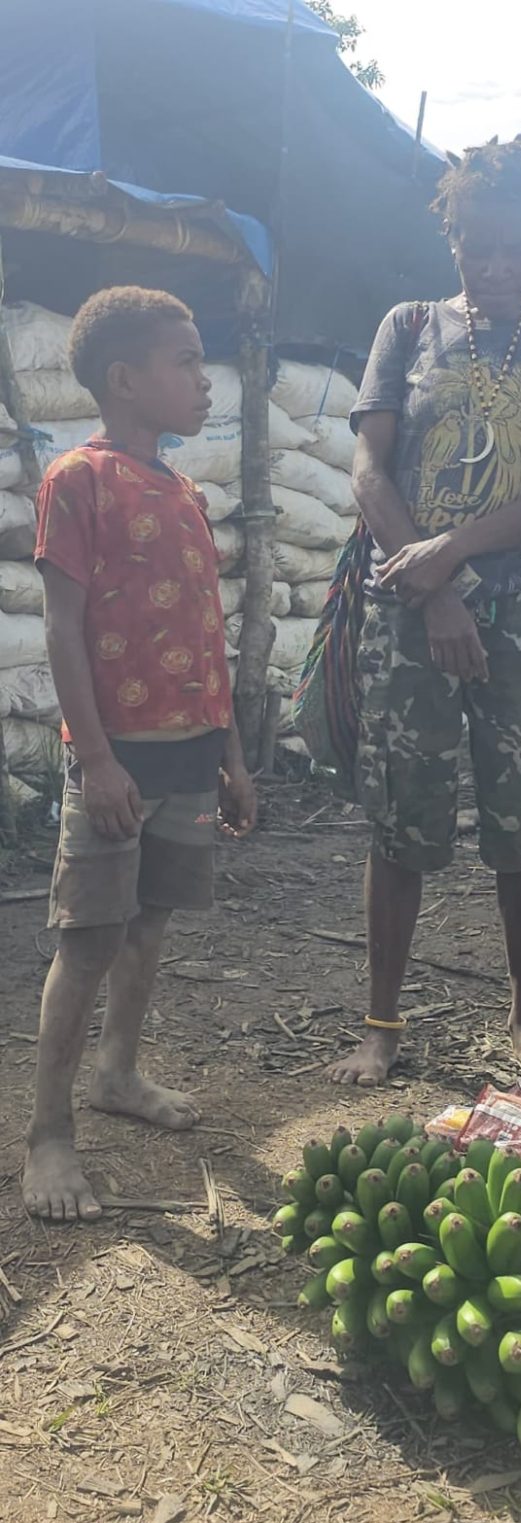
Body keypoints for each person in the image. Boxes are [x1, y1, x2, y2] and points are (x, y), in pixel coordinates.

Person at [332, 133, 521, 1086]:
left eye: (517, 247)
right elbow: (369, 469)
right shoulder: (406, 328)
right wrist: (435, 589)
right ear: (451, 237)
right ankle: (382, 1023)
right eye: (477, 245)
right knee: (400, 818)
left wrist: (453, 553)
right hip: (409, 614)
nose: (497, 266)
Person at [22, 286, 257, 1222]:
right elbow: (64, 629)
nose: (205, 382)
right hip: (120, 764)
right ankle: (48, 1133)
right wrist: (97, 757)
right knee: (87, 942)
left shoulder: (188, 492)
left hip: (192, 755)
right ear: (125, 379)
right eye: (186, 362)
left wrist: (234, 755)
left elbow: (208, 639)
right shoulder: (77, 480)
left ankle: (118, 1072)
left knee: (151, 923)